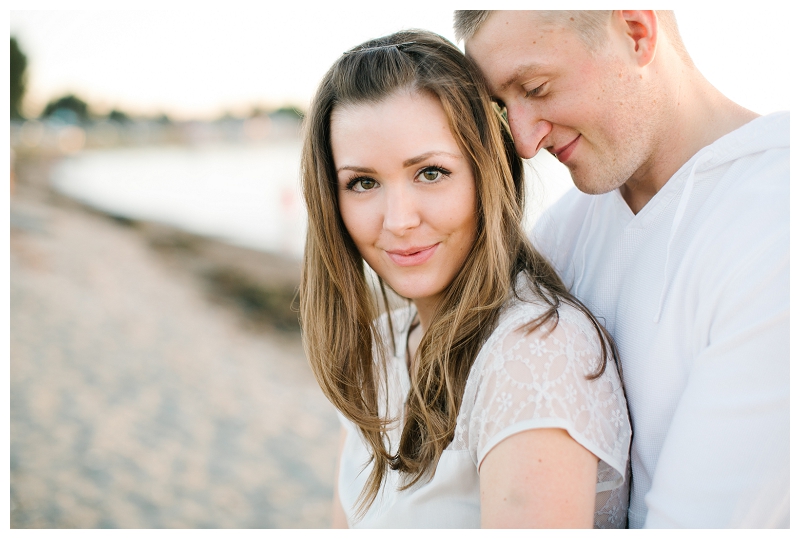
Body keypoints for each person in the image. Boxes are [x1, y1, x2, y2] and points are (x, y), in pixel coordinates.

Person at [455, 10, 789, 528]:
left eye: (537, 88)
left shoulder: (776, 224)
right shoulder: (559, 234)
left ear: (636, 32)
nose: (524, 142)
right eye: (503, 106)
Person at [298, 30, 631, 528]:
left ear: (486, 171)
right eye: (363, 182)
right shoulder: (379, 348)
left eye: (430, 173)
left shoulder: (532, 356)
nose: (399, 220)